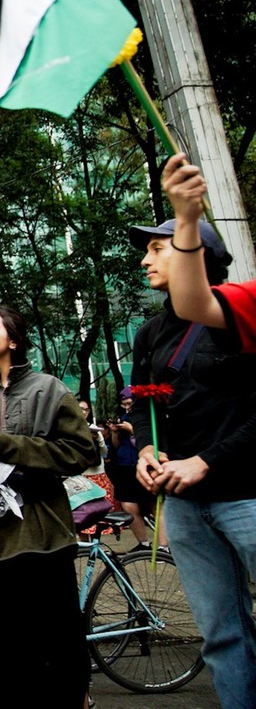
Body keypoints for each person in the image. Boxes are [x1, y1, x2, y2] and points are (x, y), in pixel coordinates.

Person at [139, 154, 256, 709]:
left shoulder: (243, 310)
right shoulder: (148, 333)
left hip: (246, 495)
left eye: (157, 246)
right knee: (221, 633)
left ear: (199, 254)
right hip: (184, 505)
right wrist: (146, 447)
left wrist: (208, 460)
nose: (145, 259)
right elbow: (141, 403)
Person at [0, 306, 97, 707]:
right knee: (0, 656)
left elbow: (80, 452)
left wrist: (13, 445)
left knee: (59, 649)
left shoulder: (48, 389)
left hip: (46, 539)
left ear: (13, 339)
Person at [105, 388, 152, 547]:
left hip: (145, 464)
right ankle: (143, 543)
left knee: (153, 502)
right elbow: (116, 446)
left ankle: (164, 546)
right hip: (125, 465)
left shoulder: (147, 418)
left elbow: (147, 442)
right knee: (128, 504)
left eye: (130, 403)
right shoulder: (123, 418)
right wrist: (115, 432)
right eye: (124, 404)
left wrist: (132, 429)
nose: (127, 407)